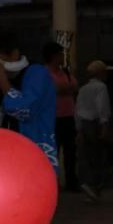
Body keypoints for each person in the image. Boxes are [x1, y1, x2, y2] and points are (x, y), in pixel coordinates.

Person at [0, 33, 58, 169]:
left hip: (33, 159)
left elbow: (24, 110)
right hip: (2, 161)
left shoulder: (37, 73)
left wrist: (1, 77)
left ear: (14, 54)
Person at [76, 59, 113, 202]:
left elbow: (78, 110)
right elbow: (102, 108)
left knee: (86, 156)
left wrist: (79, 129)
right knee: (97, 156)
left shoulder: (83, 88)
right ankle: (93, 186)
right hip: (95, 124)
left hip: (84, 124)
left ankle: (88, 186)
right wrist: (104, 126)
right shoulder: (101, 87)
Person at [43, 42, 79, 192]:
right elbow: (54, 89)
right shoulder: (45, 73)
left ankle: (71, 182)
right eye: (60, 55)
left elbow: (75, 87)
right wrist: (65, 89)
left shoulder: (65, 72)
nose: (63, 57)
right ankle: (52, 183)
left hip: (68, 117)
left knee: (71, 152)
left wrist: (63, 89)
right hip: (54, 118)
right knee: (54, 152)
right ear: (53, 56)